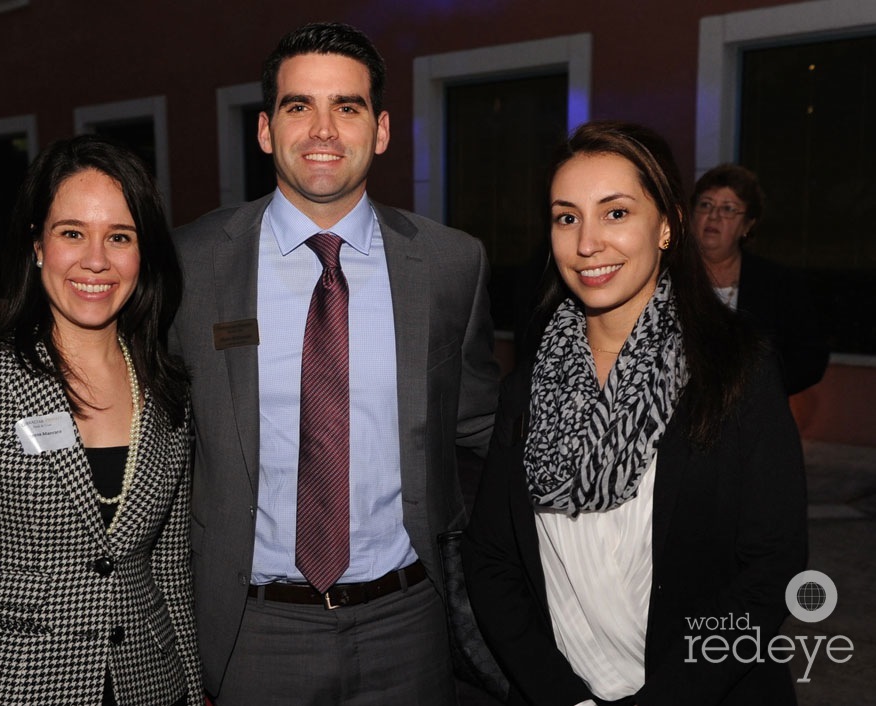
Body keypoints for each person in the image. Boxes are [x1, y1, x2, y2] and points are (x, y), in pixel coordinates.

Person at [167, 21, 501, 705]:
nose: (323, 129)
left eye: (346, 106)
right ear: (265, 130)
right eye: (299, 106)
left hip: (409, 623)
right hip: (251, 631)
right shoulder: (190, 265)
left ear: (380, 129)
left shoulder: (449, 264)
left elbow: (483, 423)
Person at [463, 121, 808, 705]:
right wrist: (562, 696)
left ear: (668, 225)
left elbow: (772, 568)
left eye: (616, 213)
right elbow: (493, 560)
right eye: (566, 217)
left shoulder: (737, 371)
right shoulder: (528, 388)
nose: (587, 242)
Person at [0, 135, 203, 706]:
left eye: (119, 236)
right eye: (71, 233)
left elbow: (171, 572)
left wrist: (196, 684)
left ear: (144, 254)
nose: (96, 259)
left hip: (151, 686)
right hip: (12, 686)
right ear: (38, 246)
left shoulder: (170, 392)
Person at [692, 163, 829, 395]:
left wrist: (759, 392)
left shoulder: (778, 283)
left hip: (753, 418)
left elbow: (811, 358)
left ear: (747, 225)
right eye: (705, 205)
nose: (713, 216)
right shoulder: (667, 277)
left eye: (728, 209)